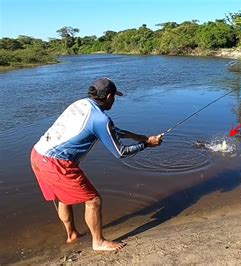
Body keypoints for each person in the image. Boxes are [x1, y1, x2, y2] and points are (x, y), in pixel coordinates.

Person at [30, 78, 164, 251]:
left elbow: (110, 131)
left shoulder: (80, 104)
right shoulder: (101, 119)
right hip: (56, 163)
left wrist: (139, 137)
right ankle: (98, 242)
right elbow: (121, 153)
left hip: (37, 153)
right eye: (114, 97)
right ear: (108, 96)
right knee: (93, 200)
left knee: (63, 198)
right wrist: (147, 144)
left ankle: (72, 236)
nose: (114, 101)